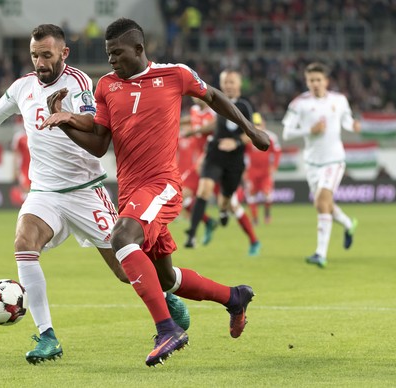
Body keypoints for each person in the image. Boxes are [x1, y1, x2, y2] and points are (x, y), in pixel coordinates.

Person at [0, 24, 189, 365]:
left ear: (64, 53)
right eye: (34, 55)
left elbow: (95, 128)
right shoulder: (21, 88)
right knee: (23, 244)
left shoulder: (79, 84)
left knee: (124, 271)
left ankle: (165, 294)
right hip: (44, 192)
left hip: (85, 192)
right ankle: (47, 336)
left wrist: (66, 115)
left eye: (46, 55)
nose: (40, 62)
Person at [40, 18, 270, 366]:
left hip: (161, 184)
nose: (112, 60)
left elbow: (214, 97)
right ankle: (234, 297)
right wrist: (66, 120)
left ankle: (167, 329)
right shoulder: (106, 86)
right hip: (131, 192)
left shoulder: (175, 74)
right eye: (108, 54)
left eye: (117, 53)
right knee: (166, 278)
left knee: (121, 239)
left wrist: (250, 129)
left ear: (138, 48)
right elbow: (100, 144)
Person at [282, 62, 360, 268]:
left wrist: (354, 125)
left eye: (318, 80)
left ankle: (320, 254)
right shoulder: (299, 104)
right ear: (307, 82)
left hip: (334, 160)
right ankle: (348, 224)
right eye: (311, 80)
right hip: (312, 163)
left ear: (326, 81)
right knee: (325, 204)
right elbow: (287, 133)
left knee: (321, 201)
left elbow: (346, 122)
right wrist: (309, 130)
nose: (315, 84)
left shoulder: (340, 100)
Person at [184, 70, 261, 256]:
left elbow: (254, 130)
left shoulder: (245, 106)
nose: (228, 85)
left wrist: (235, 142)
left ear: (239, 84)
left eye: (232, 82)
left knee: (229, 204)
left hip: (232, 160)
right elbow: (204, 113)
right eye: (225, 82)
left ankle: (253, 240)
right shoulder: (214, 101)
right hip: (212, 157)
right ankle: (192, 235)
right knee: (190, 193)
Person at [178, 98, 218, 245]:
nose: (195, 97)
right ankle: (202, 227)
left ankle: (255, 241)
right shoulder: (195, 110)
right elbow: (192, 118)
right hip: (200, 164)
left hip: (213, 162)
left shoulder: (214, 112)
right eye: (193, 95)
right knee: (181, 196)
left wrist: (195, 131)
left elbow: (214, 125)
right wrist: (177, 120)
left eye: (198, 95)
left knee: (229, 205)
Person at [244, 112, 282, 225]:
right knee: (251, 194)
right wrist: (244, 170)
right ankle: (255, 219)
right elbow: (243, 154)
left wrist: (274, 166)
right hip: (252, 171)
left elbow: (277, 153)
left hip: (266, 171)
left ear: (264, 123)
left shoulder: (271, 137)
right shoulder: (248, 138)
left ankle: (267, 215)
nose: (258, 126)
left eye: (259, 123)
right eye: (255, 124)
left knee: (267, 194)